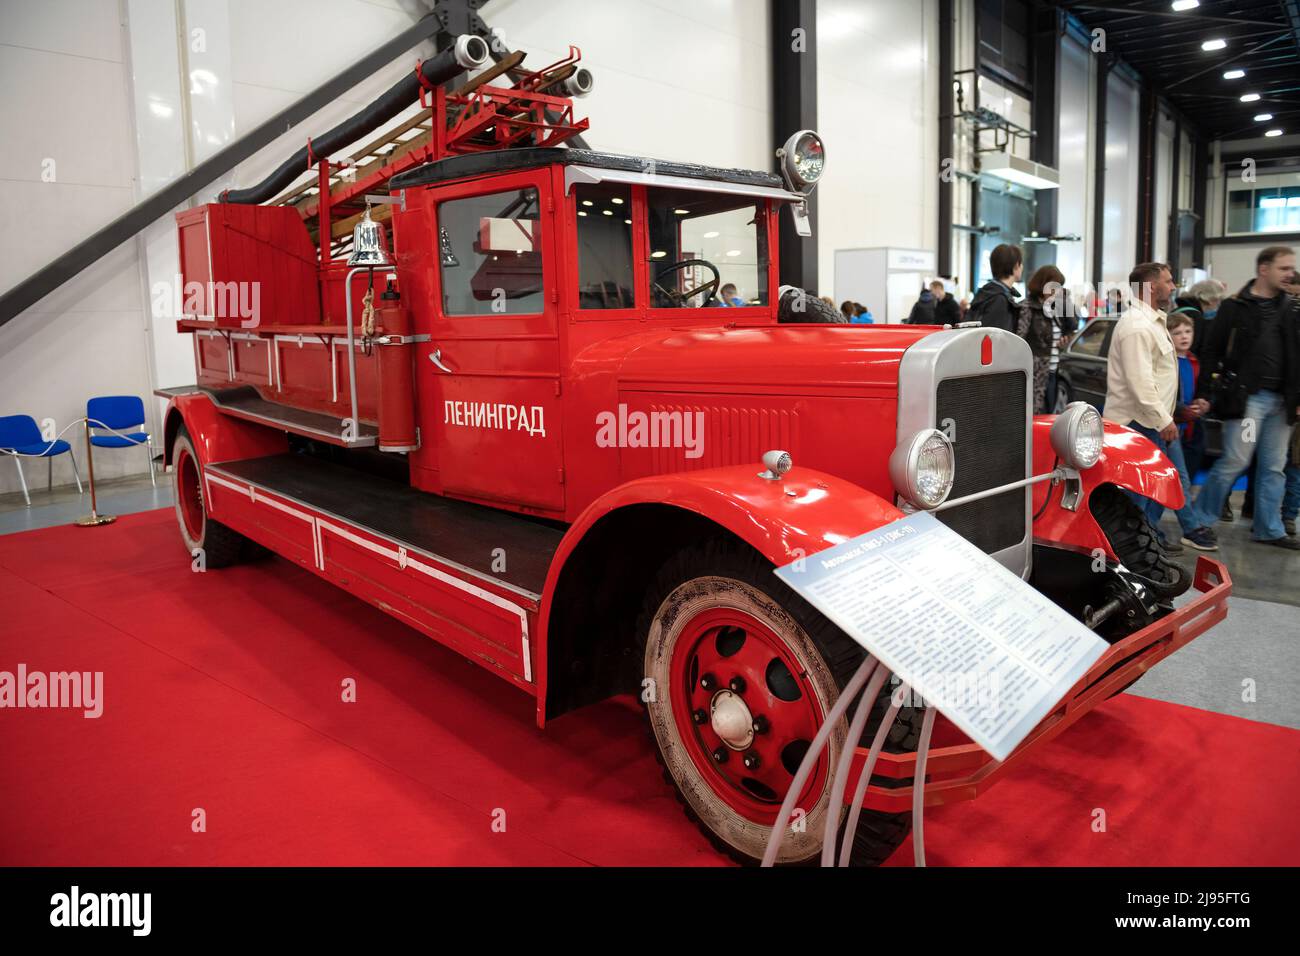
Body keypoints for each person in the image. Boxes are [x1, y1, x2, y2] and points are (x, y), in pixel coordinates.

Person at [1188, 245, 1300, 550]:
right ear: (1264, 269)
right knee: (1237, 459)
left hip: (1282, 403)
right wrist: (1205, 393)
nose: (1290, 273)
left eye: (1292, 268)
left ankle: (1269, 528)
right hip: (1249, 401)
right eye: (1284, 267)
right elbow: (1211, 351)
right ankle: (1199, 520)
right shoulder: (1233, 307)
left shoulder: (1291, 307)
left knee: (1274, 466)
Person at [1103, 261, 1218, 552]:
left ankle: (1142, 544)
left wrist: (1170, 413)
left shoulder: (1153, 320)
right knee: (1136, 494)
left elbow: (1158, 377)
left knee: (1152, 487)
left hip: (1150, 421)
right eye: (1168, 281)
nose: (1173, 286)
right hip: (1138, 423)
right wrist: (1163, 420)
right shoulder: (1137, 327)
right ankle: (1130, 553)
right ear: (1152, 287)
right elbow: (1140, 383)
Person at [1016, 265, 1065, 413]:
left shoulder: (1052, 308)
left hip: (1053, 370)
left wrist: (1061, 343)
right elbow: (1019, 340)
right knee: (1035, 416)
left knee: (1049, 415)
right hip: (1035, 373)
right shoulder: (1027, 307)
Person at [1167, 311, 1206, 481]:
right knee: (1177, 473)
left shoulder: (1193, 361)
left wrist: (1201, 402)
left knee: (1185, 470)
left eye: (1188, 331)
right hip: (1172, 424)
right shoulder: (1167, 361)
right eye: (1177, 333)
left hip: (1189, 425)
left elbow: (1196, 389)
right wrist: (1181, 409)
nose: (1184, 337)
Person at [968, 244, 1023, 332]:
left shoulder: (988, 292)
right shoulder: (999, 299)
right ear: (1016, 266)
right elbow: (995, 338)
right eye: (1021, 264)